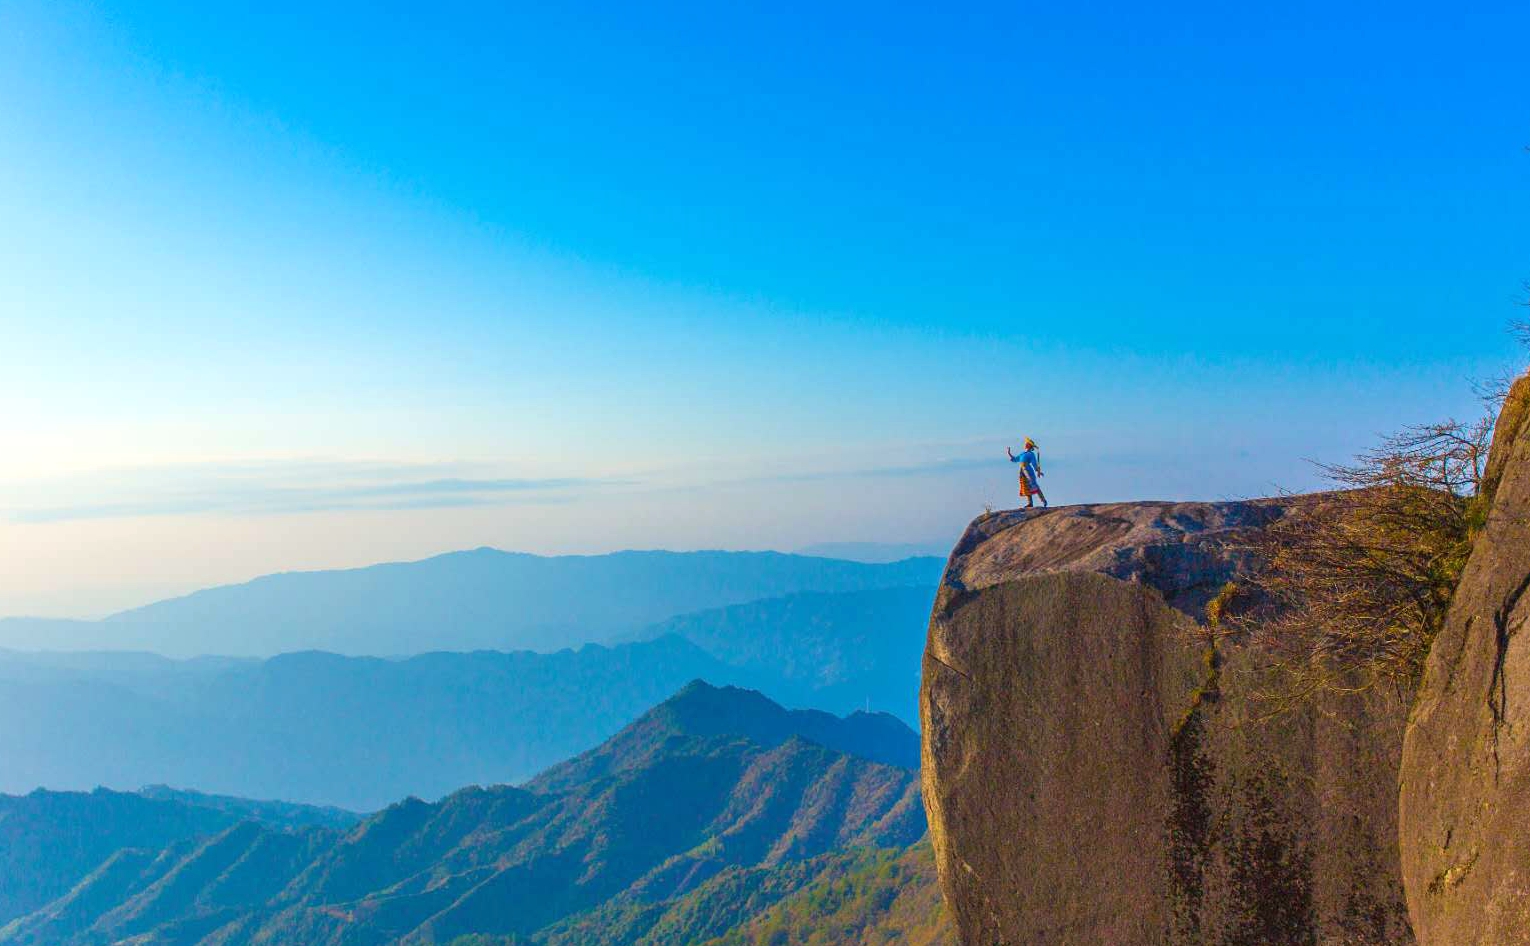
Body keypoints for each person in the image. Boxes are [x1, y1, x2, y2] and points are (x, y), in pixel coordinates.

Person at [1006, 437, 1047, 508]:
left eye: (1027, 443)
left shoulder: (1031, 454)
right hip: (1022, 470)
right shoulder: (1022, 453)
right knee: (1025, 485)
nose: (1025, 444)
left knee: (1033, 484)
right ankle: (1030, 503)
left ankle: (1043, 500)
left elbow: (1034, 464)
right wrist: (1009, 453)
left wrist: (1038, 471)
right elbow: (1015, 459)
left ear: (1029, 445)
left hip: (1028, 470)